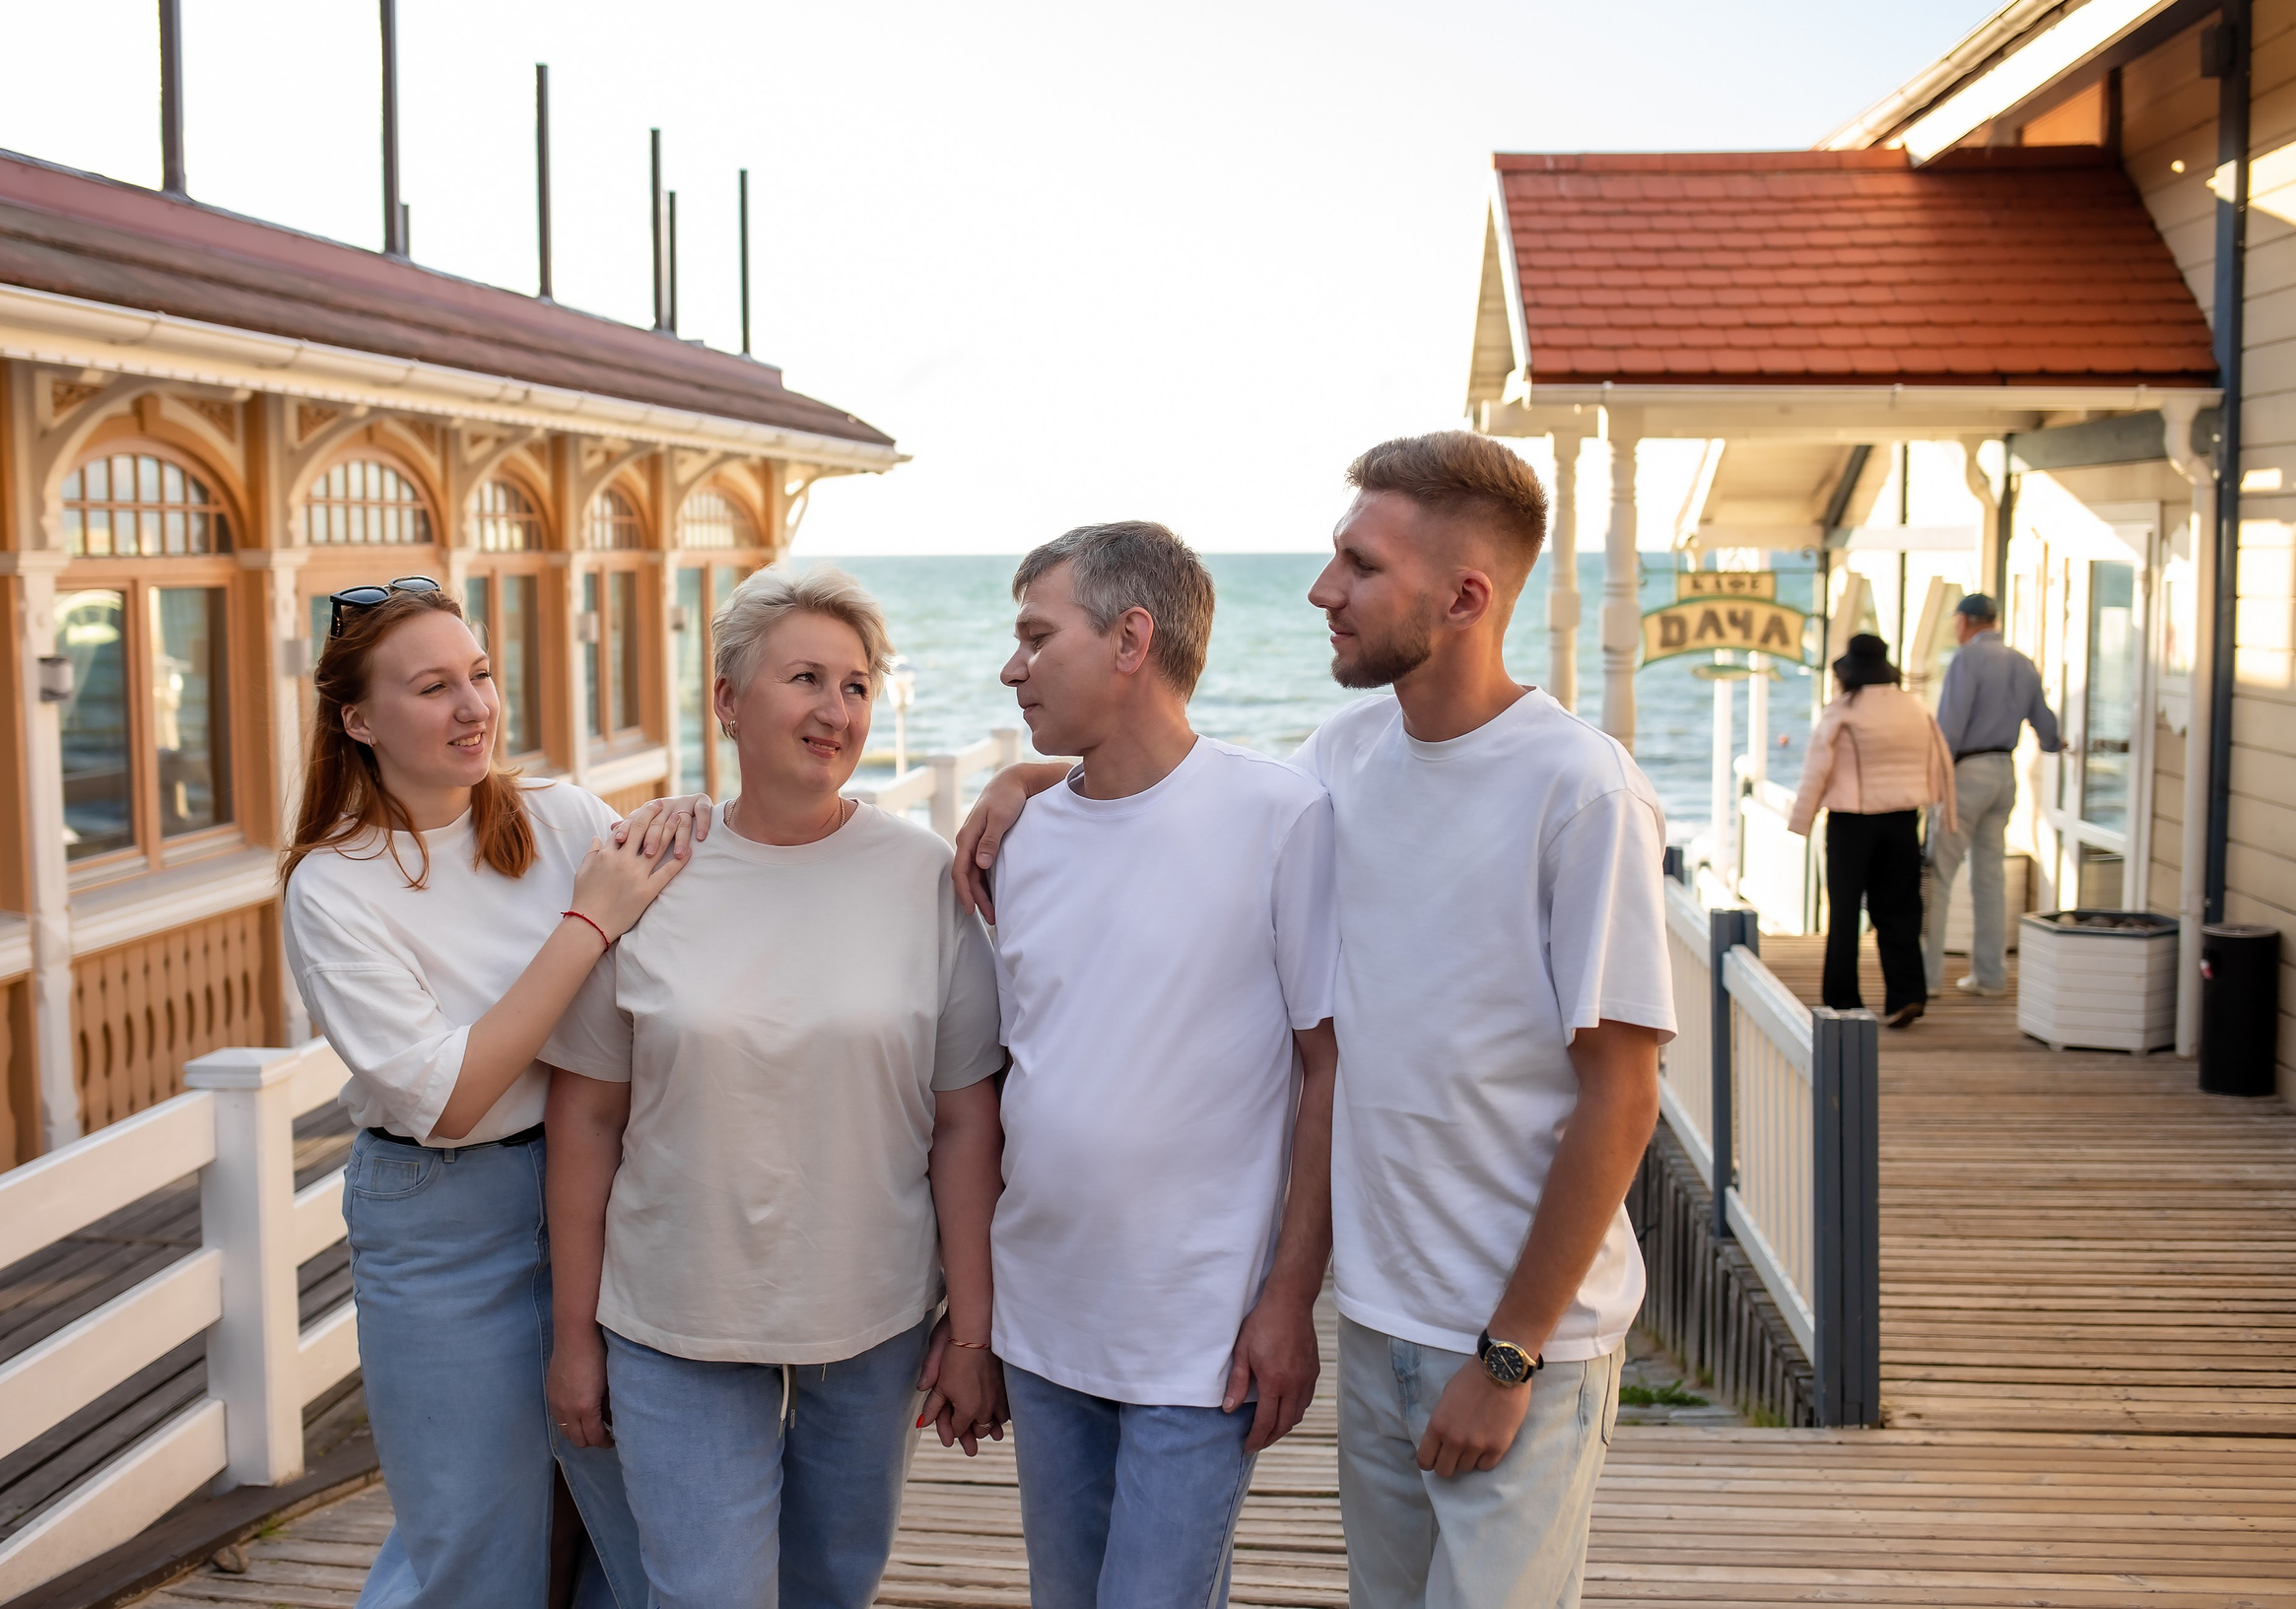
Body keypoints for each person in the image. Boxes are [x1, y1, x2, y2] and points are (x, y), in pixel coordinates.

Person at [959, 434, 1672, 1609]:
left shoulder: (1580, 790)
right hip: (1382, 1314)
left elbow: (1624, 1094)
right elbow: (1182, 791)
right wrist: (1029, 780)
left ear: (1463, 597)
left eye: (1358, 564)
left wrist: (1510, 1354)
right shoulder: (1338, 762)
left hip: (1516, 1340)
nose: (1321, 589)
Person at [541, 567, 1008, 1609]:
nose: (834, 711)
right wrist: (574, 1336)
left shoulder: (922, 879)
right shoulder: (645, 871)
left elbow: (964, 1121)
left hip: (873, 1309)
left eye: (855, 685)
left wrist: (972, 1332)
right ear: (725, 700)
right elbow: (586, 1119)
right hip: (674, 1312)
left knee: (833, 1585)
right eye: (804, 678)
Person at [280, 578, 685, 1609]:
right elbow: (449, 1099)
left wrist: (1025, 783)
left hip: (603, 1191)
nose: (473, 707)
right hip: (443, 1221)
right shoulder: (333, 886)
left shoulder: (563, 820)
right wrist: (587, 926)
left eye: (480, 675)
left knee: (648, 1524)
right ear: (359, 721)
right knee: (472, 1540)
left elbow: (724, 909)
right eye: (432, 687)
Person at [983, 522, 1340, 1609]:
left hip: (1198, 1338)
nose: (1011, 667)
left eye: (1038, 637)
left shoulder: (1280, 818)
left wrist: (1289, 1300)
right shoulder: (1020, 837)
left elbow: (1328, 1072)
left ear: (1130, 639)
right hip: (1042, 1323)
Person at [1787, 632, 1958, 1028]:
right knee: (1901, 908)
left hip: (1852, 821)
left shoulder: (1844, 709)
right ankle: (1906, 995)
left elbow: (1817, 767)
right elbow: (1941, 762)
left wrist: (1801, 819)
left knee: (1845, 912)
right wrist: (1945, 810)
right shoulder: (1915, 707)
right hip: (1902, 819)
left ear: (1849, 672)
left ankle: (1844, 1001)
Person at [1924, 592, 2063, 998]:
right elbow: (2046, 726)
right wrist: (2056, 744)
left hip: (1966, 772)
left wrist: (1934, 782)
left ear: (1966, 621)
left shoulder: (1966, 659)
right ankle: (1990, 975)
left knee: (1938, 876)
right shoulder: (2022, 661)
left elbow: (1949, 727)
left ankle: (1928, 978)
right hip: (2005, 770)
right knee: (1990, 876)